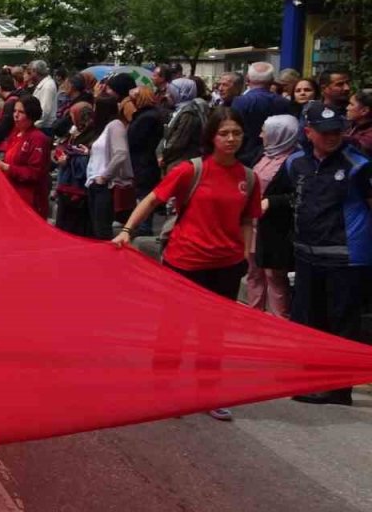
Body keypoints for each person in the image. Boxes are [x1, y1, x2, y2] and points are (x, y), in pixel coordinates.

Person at [115, 107, 260, 422]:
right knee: (174, 330)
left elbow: (248, 219)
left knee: (214, 334)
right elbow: (152, 199)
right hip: (186, 261)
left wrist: (247, 254)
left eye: (236, 133)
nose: (231, 139)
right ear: (211, 137)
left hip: (226, 264)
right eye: (224, 133)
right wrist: (127, 231)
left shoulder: (248, 177)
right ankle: (162, 390)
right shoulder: (190, 170)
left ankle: (207, 393)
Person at [273, 104, 371, 406]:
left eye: (336, 131)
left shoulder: (358, 165)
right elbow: (281, 195)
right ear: (308, 132)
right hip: (306, 255)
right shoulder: (295, 163)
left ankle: (340, 389)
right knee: (308, 320)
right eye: (324, 132)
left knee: (342, 324)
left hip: (347, 257)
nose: (332, 137)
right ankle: (311, 380)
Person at [250, 114, 299, 318]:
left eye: (265, 131)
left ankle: (280, 322)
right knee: (253, 272)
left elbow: (299, 194)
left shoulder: (295, 161)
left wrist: (273, 201)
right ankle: (253, 316)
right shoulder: (264, 154)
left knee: (274, 275)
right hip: (253, 223)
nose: (261, 135)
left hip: (276, 227)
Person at [0, 95, 51, 218]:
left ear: (31, 115)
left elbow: (35, 173)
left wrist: (6, 167)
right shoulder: (16, 134)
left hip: (29, 200)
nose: (16, 115)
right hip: (12, 195)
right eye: (14, 111)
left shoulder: (38, 138)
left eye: (21, 112)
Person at [86, 95, 132, 240]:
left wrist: (104, 176)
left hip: (105, 186)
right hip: (95, 183)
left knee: (102, 231)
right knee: (96, 228)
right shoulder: (106, 128)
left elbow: (121, 153)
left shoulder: (115, 125)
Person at [53, 102, 99, 237]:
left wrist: (70, 159)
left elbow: (88, 160)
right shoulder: (75, 132)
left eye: (72, 115)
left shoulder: (93, 135)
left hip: (79, 188)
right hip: (67, 186)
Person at [231, 62, 290, 166]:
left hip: (244, 155)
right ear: (272, 80)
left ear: (247, 78)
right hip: (275, 156)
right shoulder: (284, 103)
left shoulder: (240, 102)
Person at [126, 87, 164, 236]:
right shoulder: (146, 115)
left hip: (145, 161)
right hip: (143, 160)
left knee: (144, 193)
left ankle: (144, 226)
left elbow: (136, 139)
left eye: (134, 98)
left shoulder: (147, 117)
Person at [159, 78, 208, 175]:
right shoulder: (180, 110)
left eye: (171, 92)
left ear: (181, 93)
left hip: (181, 164)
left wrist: (164, 156)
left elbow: (178, 141)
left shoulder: (188, 113)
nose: (167, 95)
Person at [28, 60, 59, 131]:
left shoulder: (48, 86)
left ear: (35, 71)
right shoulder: (44, 84)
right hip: (41, 126)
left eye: (30, 72)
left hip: (44, 128)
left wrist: (34, 126)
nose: (29, 75)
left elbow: (45, 111)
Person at [344, 90, 372, 155]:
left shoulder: (369, 138)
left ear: (364, 111)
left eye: (351, 104)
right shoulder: (354, 124)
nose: (347, 108)